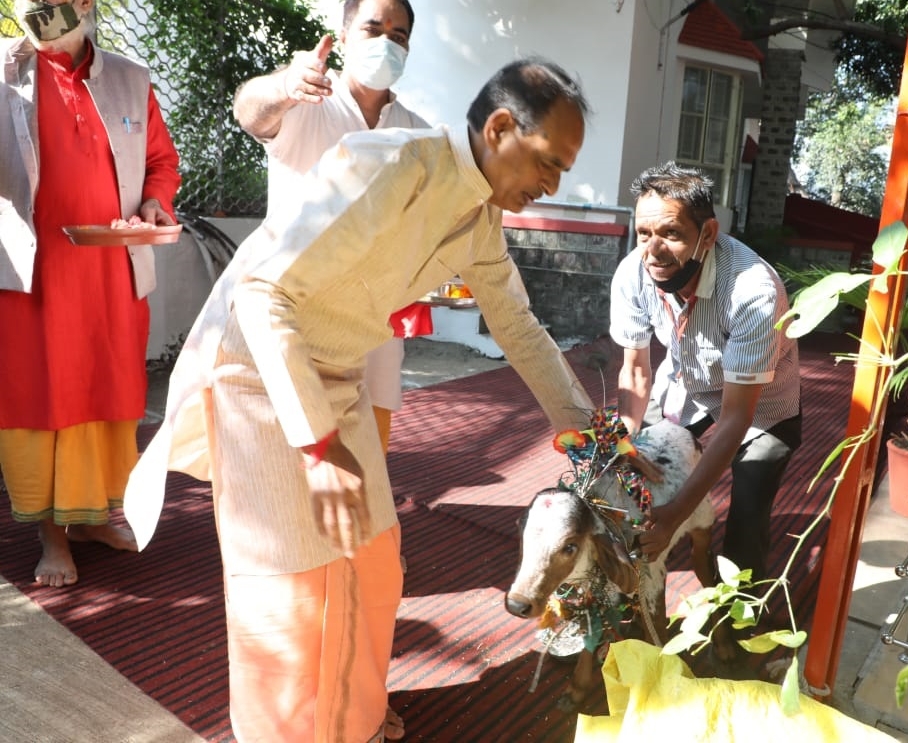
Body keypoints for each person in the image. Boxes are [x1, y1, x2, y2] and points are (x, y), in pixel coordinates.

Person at [124, 57, 595, 743]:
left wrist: (589, 434)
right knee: (288, 585)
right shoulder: (388, 163)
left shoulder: (479, 219)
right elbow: (263, 296)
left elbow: (519, 327)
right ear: (499, 128)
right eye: (549, 161)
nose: (552, 184)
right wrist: (316, 445)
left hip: (335, 370)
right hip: (257, 371)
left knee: (372, 559)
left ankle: (353, 719)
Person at [0, 0, 180, 587]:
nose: (36, 14)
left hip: (112, 270)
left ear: (83, 5)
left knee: (111, 392)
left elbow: (160, 162)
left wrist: (155, 203)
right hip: (33, 275)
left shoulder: (131, 78)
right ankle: (52, 536)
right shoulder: (4, 72)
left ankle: (94, 518)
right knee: (41, 399)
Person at [232, 0, 432, 455]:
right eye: (373, 29)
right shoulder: (305, 104)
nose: (386, 43)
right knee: (288, 452)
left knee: (365, 451)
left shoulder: (418, 136)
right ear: (342, 38)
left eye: (398, 36)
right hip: (295, 315)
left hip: (371, 321)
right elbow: (248, 111)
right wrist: (284, 85)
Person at [609, 161, 801, 585]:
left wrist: (675, 515)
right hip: (686, 385)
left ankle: (739, 621)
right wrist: (626, 444)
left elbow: (736, 417)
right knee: (643, 471)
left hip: (762, 405)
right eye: (644, 234)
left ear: (708, 234)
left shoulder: (755, 291)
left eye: (671, 234)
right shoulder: (631, 273)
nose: (653, 250)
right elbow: (636, 372)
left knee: (746, 517)